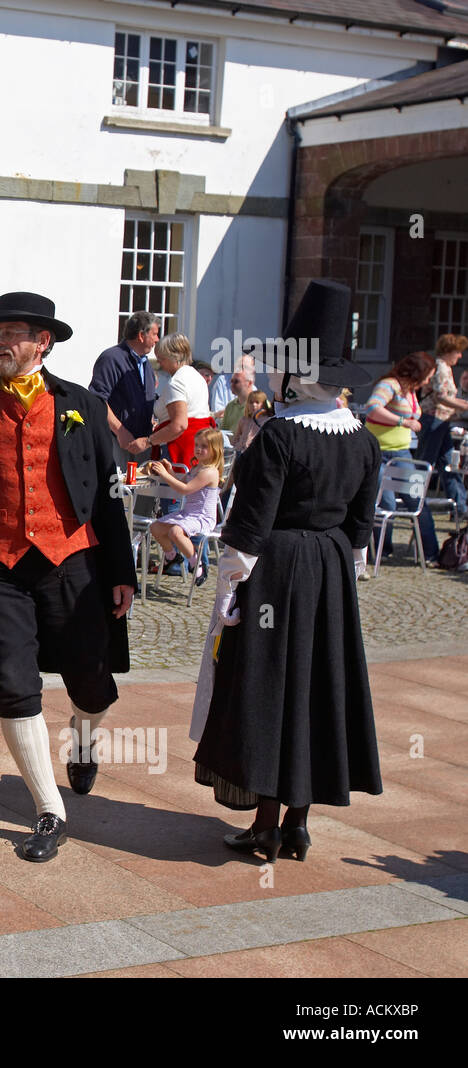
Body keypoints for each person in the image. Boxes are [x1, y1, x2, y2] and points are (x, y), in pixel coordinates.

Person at [0, 291, 135, 862]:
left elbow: (109, 493)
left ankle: (84, 730)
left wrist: (121, 569)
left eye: (14, 332)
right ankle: (50, 810)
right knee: (14, 685)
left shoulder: (84, 406)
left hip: (73, 559)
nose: (2, 341)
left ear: (43, 342)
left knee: (92, 682)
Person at [190, 280, 382, 864]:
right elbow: (360, 528)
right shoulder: (364, 441)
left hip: (276, 568)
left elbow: (249, 527)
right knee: (317, 687)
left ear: (299, 375)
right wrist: (341, 580)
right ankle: (298, 824)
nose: (273, 376)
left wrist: (228, 591)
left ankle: (268, 825)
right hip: (327, 571)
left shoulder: (279, 436)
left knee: (270, 690)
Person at [363, 350, 436, 560]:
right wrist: (403, 422)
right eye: (428, 375)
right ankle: (381, 551)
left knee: (417, 500)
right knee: (386, 504)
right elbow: (372, 407)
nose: (429, 380)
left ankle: (431, 553)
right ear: (418, 372)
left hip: (402, 455)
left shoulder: (411, 391)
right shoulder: (389, 385)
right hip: (380, 453)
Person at [146, 427, 224, 585]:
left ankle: (196, 564)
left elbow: (185, 490)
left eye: (204, 446)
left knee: (175, 531)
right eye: (197, 445)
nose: (198, 449)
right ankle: (172, 556)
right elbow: (183, 484)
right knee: (155, 527)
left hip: (202, 517)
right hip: (188, 514)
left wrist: (165, 475)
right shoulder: (197, 468)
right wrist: (170, 471)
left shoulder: (210, 472)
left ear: (214, 450)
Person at [90, 310, 161, 470]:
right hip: (116, 442)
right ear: (141, 336)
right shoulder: (111, 358)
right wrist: (120, 431)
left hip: (141, 443)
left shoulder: (146, 364)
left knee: (141, 493)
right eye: (155, 334)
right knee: (116, 491)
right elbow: (97, 399)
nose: (157, 339)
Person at [416, 334, 468, 517]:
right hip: (434, 420)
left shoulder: (444, 367)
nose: (460, 356)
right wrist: (464, 405)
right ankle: (413, 500)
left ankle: (461, 506)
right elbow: (441, 397)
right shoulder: (440, 367)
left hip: (442, 422)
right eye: (458, 352)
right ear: (449, 351)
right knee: (425, 463)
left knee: (449, 466)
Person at [147, 333, 215, 470]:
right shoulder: (197, 376)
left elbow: (179, 425)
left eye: (161, 358)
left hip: (180, 449)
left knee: (174, 490)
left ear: (174, 357)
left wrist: (148, 442)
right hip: (198, 445)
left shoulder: (177, 382)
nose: (159, 362)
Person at [220, 368, 254, 432]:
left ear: (249, 383)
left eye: (236, 382)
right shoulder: (230, 406)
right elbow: (224, 431)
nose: (232, 385)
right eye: (231, 381)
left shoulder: (257, 405)